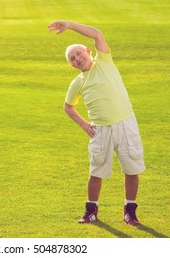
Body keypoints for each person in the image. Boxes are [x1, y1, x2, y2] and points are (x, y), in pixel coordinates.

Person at [48, 20, 145, 225]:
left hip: (125, 124)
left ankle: (130, 211)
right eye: (72, 59)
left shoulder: (104, 61)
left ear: (87, 50)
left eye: (78, 53)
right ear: (71, 65)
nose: (77, 58)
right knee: (96, 172)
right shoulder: (78, 83)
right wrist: (84, 124)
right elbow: (68, 106)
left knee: (131, 169)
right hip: (100, 130)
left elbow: (97, 33)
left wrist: (69, 25)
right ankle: (91, 211)